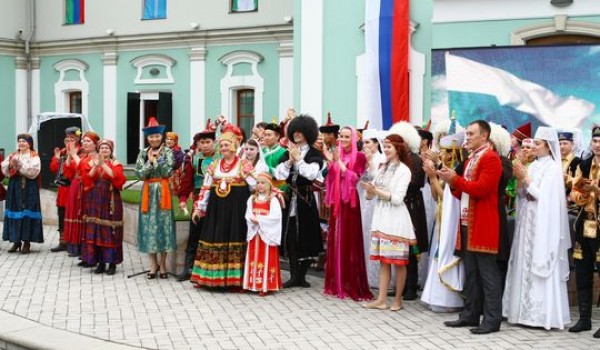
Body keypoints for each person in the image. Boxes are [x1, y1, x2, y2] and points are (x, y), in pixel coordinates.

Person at [502, 127, 571, 330]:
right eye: (534, 143)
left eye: (538, 144)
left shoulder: (552, 168)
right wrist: (521, 180)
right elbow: (523, 193)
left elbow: (547, 198)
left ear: (549, 147)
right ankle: (520, 312)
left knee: (538, 262)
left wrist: (527, 180)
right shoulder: (533, 165)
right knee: (524, 260)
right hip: (528, 219)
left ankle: (539, 316)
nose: (533, 146)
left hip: (543, 222)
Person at [438, 120, 503, 335]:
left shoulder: (491, 158)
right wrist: (450, 181)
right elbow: (461, 192)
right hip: (467, 222)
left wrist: (455, 179)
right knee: (471, 272)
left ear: (484, 136)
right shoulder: (470, 159)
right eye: (467, 133)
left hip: (483, 222)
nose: (467, 137)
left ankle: (492, 320)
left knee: (487, 273)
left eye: (471, 133)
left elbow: (482, 189)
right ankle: (470, 314)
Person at [190, 123, 254, 289]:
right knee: (214, 238)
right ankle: (210, 278)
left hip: (236, 211)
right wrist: (199, 208)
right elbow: (205, 188)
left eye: (227, 145)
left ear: (234, 145)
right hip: (216, 210)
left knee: (235, 238)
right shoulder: (214, 165)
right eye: (222, 145)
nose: (223, 148)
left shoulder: (244, 165)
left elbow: (256, 185)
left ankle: (234, 280)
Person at [360, 133, 416, 311]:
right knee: (384, 261)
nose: (385, 149)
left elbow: (398, 198)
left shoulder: (404, 170)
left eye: (388, 146)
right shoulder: (382, 167)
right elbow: (372, 193)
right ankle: (382, 299)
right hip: (381, 218)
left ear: (398, 148)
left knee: (398, 262)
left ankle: (398, 299)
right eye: (384, 146)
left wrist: (376, 192)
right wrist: (369, 190)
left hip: (396, 219)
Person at [274, 114, 324, 288]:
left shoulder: (314, 153)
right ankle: (294, 275)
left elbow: (310, 173)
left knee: (307, 235)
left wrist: (299, 159)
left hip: (306, 199)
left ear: (307, 133)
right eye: (294, 131)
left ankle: (302, 275)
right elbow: (279, 174)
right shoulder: (288, 152)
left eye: (300, 131)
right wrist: (289, 161)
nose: (296, 134)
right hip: (290, 199)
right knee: (290, 236)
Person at [323, 126, 372, 301]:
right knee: (336, 241)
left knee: (349, 242)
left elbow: (354, 178)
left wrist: (339, 163)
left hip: (350, 203)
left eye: (346, 137)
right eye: (341, 136)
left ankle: (352, 283)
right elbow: (331, 178)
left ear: (352, 138)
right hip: (338, 203)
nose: (342, 139)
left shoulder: (359, 156)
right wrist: (331, 162)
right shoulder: (338, 154)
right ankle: (338, 282)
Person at [420, 131, 466, 312]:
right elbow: (435, 196)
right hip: (441, 218)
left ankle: (449, 299)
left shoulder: (455, 172)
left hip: (452, 220)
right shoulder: (444, 170)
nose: (443, 154)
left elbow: (448, 198)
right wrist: (433, 178)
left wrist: (433, 177)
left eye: (447, 151)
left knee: (446, 254)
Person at [389, 121, 428, 300]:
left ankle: (411, 286)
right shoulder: (394, 161)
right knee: (397, 247)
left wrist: (397, 183)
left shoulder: (416, 159)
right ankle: (400, 286)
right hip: (397, 206)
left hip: (411, 207)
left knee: (410, 248)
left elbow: (417, 183)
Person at [135, 117, 176, 279]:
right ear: (147, 138)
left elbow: (168, 172)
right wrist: (149, 164)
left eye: (157, 136)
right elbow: (138, 173)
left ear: (161, 136)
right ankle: (153, 264)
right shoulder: (143, 153)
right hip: (148, 192)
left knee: (164, 227)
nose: (154, 139)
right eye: (151, 137)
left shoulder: (168, 152)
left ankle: (164, 263)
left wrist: (157, 162)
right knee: (148, 227)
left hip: (163, 191)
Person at [569, 125, 600, 337]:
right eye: (595, 141)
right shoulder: (584, 164)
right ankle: (584, 319)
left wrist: (597, 191)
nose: (598, 145)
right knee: (582, 270)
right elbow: (574, 194)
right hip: (584, 223)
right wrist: (582, 194)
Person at [176, 120, 217, 282]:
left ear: (214, 143)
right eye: (202, 142)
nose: (205, 145)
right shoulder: (193, 160)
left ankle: (209, 269)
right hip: (200, 197)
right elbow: (187, 182)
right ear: (198, 144)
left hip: (218, 198)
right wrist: (183, 199)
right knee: (194, 233)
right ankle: (188, 268)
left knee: (213, 234)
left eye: (208, 142)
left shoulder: (221, 158)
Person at [80, 139, 126, 275]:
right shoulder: (92, 162)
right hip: (95, 199)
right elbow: (88, 177)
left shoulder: (116, 164)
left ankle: (112, 263)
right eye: (101, 148)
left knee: (110, 230)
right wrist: (95, 165)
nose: (104, 150)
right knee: (96, 230)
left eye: (107, 148)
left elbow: (116, 178)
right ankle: (100, 262)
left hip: (110, 199)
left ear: (111, 150)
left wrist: (103, 165)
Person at [1, 133, 43, 254]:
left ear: (29, 143)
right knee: (15, 210)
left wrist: (19, 165)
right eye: (19, 141)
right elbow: (4, 168)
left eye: (24, 141)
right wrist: (10, 165)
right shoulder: (14, 154)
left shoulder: (34, 156)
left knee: (27, 211)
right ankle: (16, 240)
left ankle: (27, 242)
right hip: (15, 186)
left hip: (29, 187)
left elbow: (33, 171)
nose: (21, 143)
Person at [243, 172, 284, 295]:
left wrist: (260, 220)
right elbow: (248, 213)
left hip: (266, 233)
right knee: (252, 257)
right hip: (254, 232)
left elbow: (276, 217)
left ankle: (265, 285)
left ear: (269, 185)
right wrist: (251, 219)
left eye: (263, 183)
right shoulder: (252, 198)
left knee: (265, 256)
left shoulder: (273, 200)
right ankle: (250, 284)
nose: (260, 185)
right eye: (258, 183)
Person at [63, 130, 99, 262]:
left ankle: (85, 250)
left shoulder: (95, 156)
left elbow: (85, 169)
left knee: (84, 215)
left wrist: (74, 155)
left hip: (87, 187)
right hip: (76, 184)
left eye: (88, 141)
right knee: (74, 213)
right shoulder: (83, 155)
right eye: (83, 140)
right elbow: (68, 171)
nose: (84, 142)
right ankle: (76, 247)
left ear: (95, 144)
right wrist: (69, 156)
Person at [359, 129, 387, 289]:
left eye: (369, 142)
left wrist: (369, 164)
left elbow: (379, 179)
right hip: (365, 199)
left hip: (378, 200)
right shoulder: (362, 157)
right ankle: (365, 273)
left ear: (377, 143)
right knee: (365, 234)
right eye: (364, 142)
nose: (365, 145)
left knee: (374, 235)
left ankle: (376, 278)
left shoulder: (382, 159)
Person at [49, 127, 80, 252]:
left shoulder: (81, 151)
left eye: (72, 138)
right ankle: (63, 242)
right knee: (62, 215)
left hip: (74, 187)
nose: (69, 141)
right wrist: (56, 157)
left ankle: (73, 242)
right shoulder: (62, 152)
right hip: (63, 189)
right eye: (67, 139)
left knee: (74, 215)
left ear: (78, 139)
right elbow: (53, 168)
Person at [261, 122, 288, 190]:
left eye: (269, 135)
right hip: (262, 187)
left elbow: (283, 174)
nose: (266, 138)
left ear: (277, 136)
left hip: (278, 187)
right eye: (265, 135)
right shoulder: (262, 151)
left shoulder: (284, 152)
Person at [165, 131, 186, 195]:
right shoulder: (164, 150)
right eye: (167, 139)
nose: (168, 141)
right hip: (166, 173)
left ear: (175, 141)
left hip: (174, 174)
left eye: (171, 139)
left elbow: (177, 163)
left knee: (174, 190)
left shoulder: (177, 150)